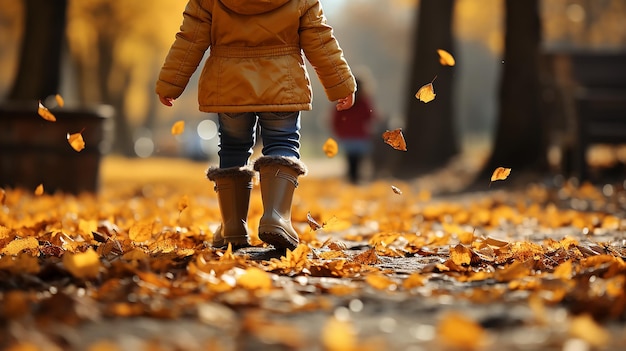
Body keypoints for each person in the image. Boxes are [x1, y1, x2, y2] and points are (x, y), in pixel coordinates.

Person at [155, 0, 356, 251]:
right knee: (282, 142)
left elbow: (190, 39)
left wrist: (170, 83)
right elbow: (320, 39)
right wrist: (341, 85)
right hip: (282, 83)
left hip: (228, 85)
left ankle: (233, 225)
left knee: (233, 147)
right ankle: (276, 217)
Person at [331, 76, 377, 184]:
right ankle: (356, 178)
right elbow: (371, 116)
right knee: (359, 160)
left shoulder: (343, 101)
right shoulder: (365, 102)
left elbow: (336, 118)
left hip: (347, 135)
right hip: (360, 136)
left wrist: (338, 131)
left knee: (351, 159)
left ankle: (353, 178)